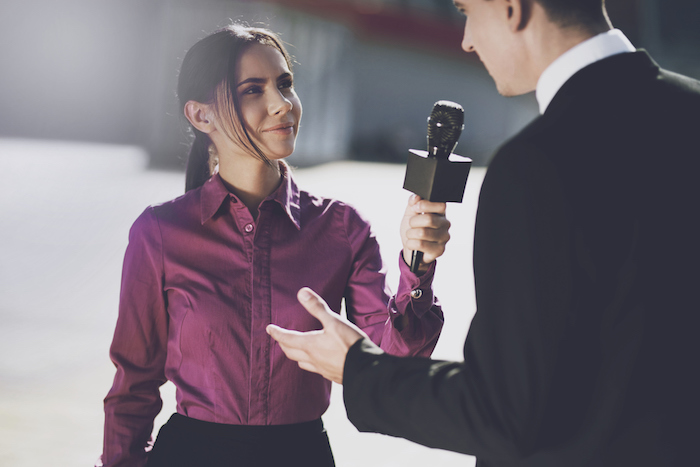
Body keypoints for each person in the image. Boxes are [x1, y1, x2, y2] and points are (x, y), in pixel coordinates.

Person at [267, 0, 700, 465]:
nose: (466, 39)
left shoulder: (538, 165)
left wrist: (359, 369)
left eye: (467, 11)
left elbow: (504, 414)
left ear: (512, 9)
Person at [99, 24, 451, 467]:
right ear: (201, 116)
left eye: (285, 84)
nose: (282, 104)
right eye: (252, 90)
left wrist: (417, 266)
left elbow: (394, 361)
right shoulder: (160, 233)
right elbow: (132, 387)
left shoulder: (340, 228)